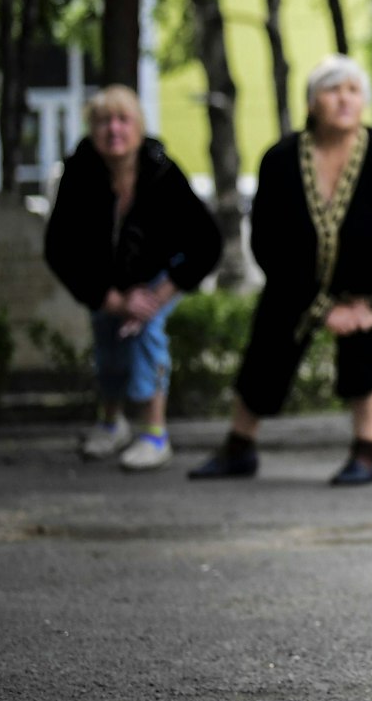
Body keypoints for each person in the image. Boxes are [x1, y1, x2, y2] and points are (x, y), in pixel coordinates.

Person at [188, 56, 372, 486]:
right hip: (295, 284)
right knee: (266, 349)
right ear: (311, 102)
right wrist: (319, 306)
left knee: (363, 346)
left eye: (353, 91)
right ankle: (239, 446)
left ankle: (367, 450)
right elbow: (266, 239)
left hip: (363, 290)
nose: (343, 100)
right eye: (332, 90)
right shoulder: (281, 160)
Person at [45, 86, 223, 471]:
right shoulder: (79, 173)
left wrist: (160, 293)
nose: (114, 130)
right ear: (91, 130)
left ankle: (154, 433)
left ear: (139, 127)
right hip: (107, 283)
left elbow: (207, 241)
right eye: (103, 121)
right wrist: (109, 299)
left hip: (157, 279)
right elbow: (59, 248)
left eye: (123, 120)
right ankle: (111, 422)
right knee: (107, 339)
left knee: (146, 332)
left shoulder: (160, 171)